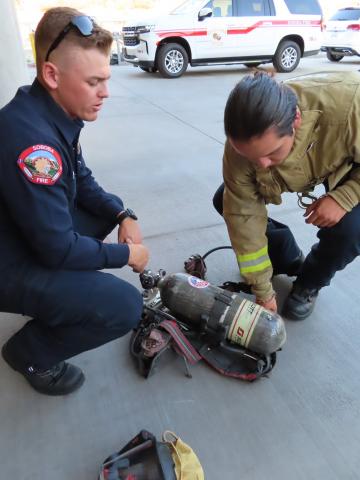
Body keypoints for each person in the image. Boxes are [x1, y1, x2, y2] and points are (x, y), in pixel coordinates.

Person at [0, 7, 149, 396]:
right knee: (125, 307)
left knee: (100, 214)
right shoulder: (34, 144)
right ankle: (29, 355)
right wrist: (126, 256)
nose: (106, 92)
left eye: (106, 79)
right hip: (7, 264)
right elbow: (57, 248)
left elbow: (81, 180)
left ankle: (55, 301)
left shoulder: (45, 111)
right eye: (94, 81)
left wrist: (123, 213)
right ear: (52, 74)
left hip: (19, 236)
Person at [213, 71, 360, 320]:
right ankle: (287, 255)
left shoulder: (352, 105)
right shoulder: (239, 149)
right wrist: (263, 292)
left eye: (271, 153)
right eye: (250, 156)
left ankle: (309, 282)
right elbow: (242, 215)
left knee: (351, 230)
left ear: (296, 121)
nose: (260, 165)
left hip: (350, 165)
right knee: (225, 200)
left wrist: (345, 196)